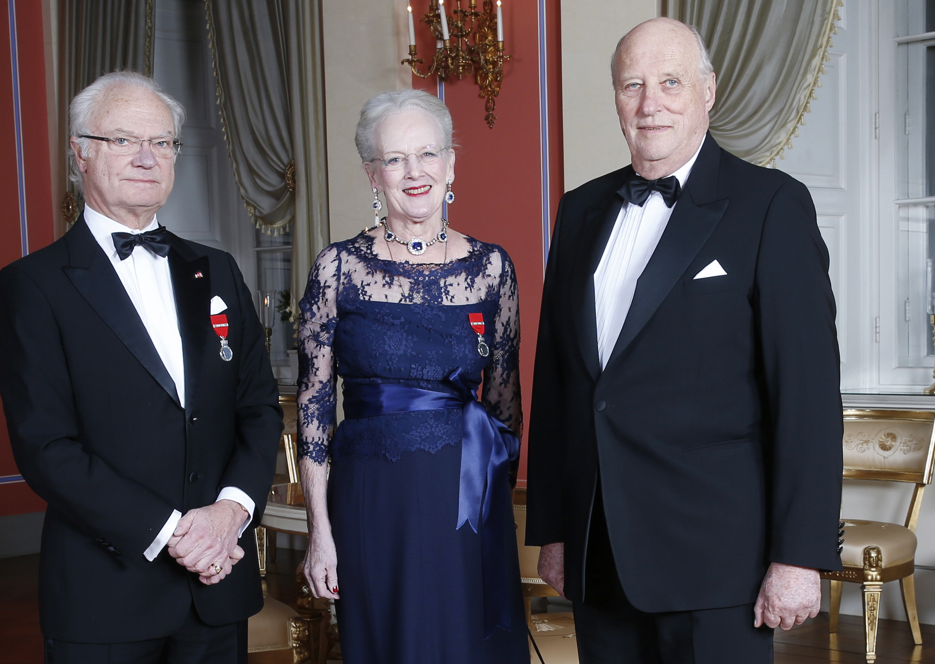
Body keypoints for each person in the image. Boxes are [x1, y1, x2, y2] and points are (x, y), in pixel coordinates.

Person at [526, 18, 844, 664]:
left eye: (669, 82)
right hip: (601, 551)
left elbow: (806, 397)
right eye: (632, 85)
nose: (650, 104)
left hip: (718, 562)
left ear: (708, 91)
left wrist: (798, 556)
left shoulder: (770, 205)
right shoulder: (578, 210)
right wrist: (555, 531)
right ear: (615, 97)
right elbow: (558, 381)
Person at [0, 71, 282, 664]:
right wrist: (176, 533)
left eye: (163, 142)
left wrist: (231, 511)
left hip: (216, 583)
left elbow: (256, 407)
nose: (148, 157)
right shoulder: (34, 285)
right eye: (124, 140)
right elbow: (46, 447)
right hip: (106, 593)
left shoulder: (218, 269)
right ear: (80, 153)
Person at [296, 89, 529, 664]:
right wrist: (320, 532)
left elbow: (505, 407)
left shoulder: (492, 269)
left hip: (466, 503)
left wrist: (490, 503)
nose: (414, 171)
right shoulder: (338, 268)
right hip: (374, 503)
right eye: (395, 158)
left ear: (451, 163)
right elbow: (314, 416)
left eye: (428, 154)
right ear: (373, 174)